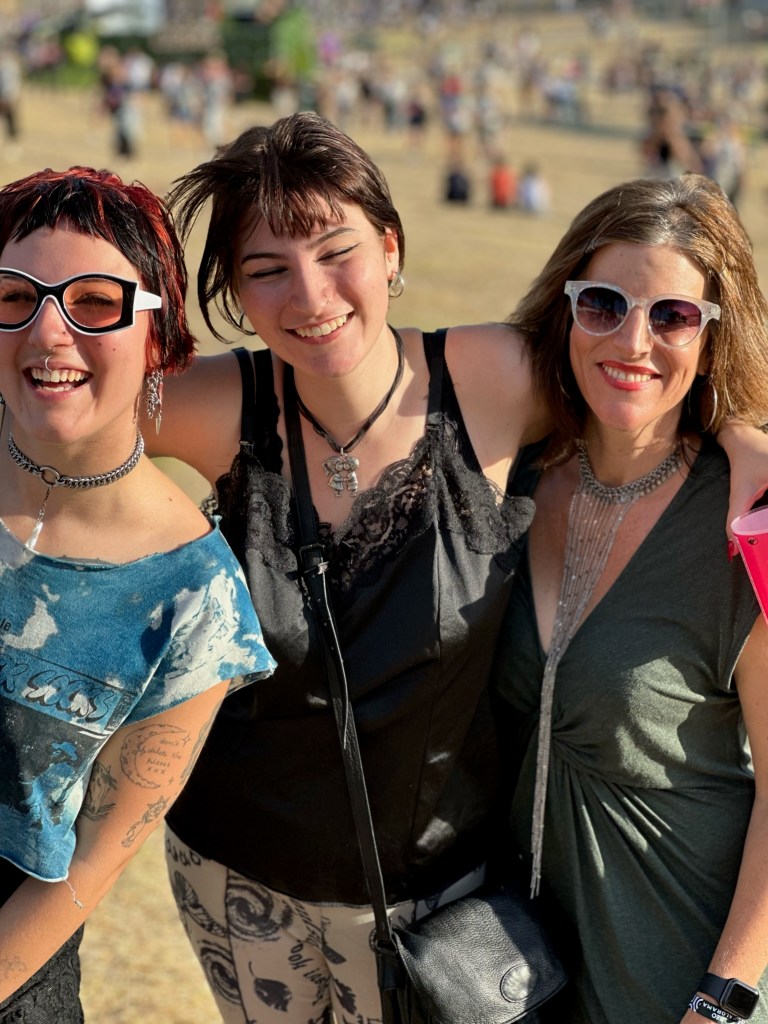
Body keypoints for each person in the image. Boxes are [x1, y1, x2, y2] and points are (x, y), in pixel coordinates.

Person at [149, 113, 768, 1024]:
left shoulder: (726, 516)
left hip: (565, 920)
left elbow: (645, 381)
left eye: (336, 251)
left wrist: (744, 436)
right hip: (334, 901)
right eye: (267, 269)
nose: (310, 294)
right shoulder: (520, 455)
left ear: (390, 249)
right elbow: (69, 405)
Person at [0, 166, 275, 1020]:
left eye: (94, 302)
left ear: (159, 338)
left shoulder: (195, 597)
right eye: (15, 298)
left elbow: (88, 867)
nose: (48, 332)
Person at [494, 173, 768, 1024]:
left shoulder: (748, 525)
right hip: (512, 977)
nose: (634, 340)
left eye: (673, 316)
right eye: (604, 304)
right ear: (566, 311)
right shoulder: (509, 478)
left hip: (677, 983)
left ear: (711, 338)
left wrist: (722, 999)